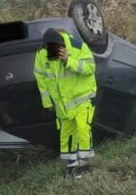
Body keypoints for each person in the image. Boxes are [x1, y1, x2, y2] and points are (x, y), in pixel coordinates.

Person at [34, 28, 98, 178]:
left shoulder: (77, 47)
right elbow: (41, 79)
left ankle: (84, 165)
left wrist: (69, 61)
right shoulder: (41, 53)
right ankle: (71, 165)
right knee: (66, 134)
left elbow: (90, 68)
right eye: (47, 48)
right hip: (62, 104)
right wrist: (47, 102)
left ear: (62, 44)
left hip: (83, 98)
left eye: (54, 48)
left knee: (82, 129)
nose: (50, 51)